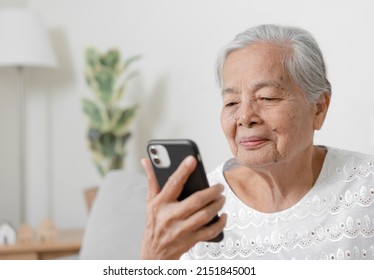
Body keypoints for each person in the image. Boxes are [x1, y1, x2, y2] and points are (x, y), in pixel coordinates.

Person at [140, 24, 374, 260]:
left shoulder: (367, 186)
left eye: (267, 97)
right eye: (231, 102)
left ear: (319, 108)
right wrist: (155, 258)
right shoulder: (198, 209)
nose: (244, 117)